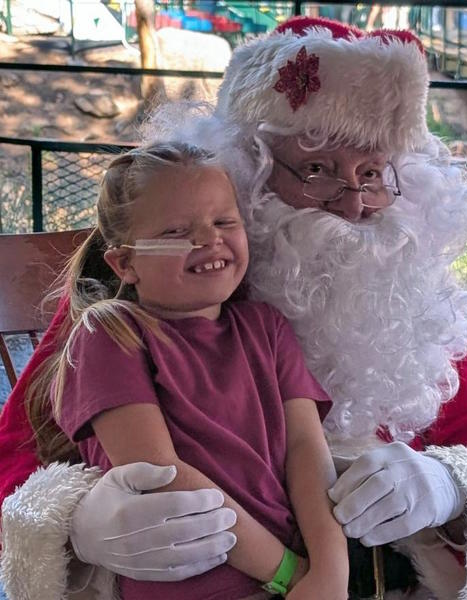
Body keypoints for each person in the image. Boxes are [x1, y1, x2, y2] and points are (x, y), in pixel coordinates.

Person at [2, 15, 467, 600]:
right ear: (246, 173)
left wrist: (448, 487)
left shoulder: (405, 303)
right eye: (316, 170)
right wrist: (78, 525)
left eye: (371, 173)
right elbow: (13, 466)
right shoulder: (133, 303)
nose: (354, 203)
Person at [48, 139, 347, 600]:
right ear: (125, 262)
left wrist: (330, 570)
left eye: (224, 221)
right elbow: (161, 473)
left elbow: (308, 448)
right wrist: (290, 572)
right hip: (195, 584)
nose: (209, 240)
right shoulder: (110, 333)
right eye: (174, 232)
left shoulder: (266, 327)